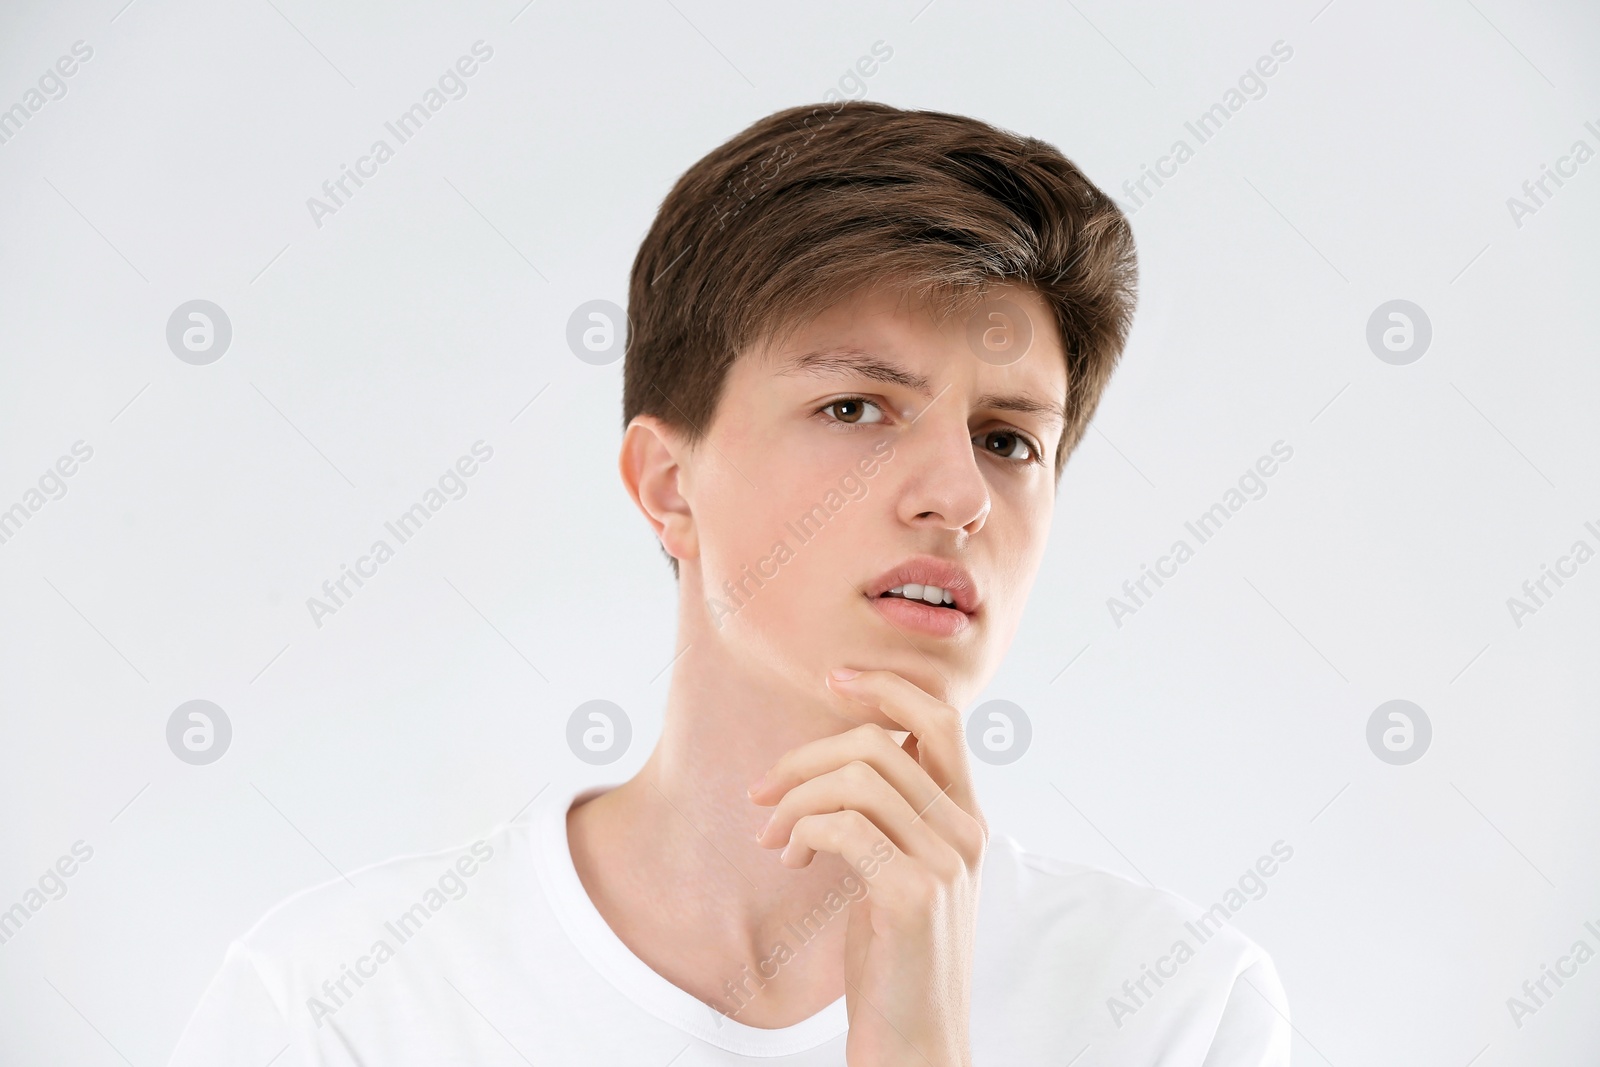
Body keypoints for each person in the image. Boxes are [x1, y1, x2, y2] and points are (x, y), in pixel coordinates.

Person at [169, 101, 1290, 1066]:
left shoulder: (1177, 1008)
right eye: (856, 407)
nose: (959, 492)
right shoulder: (342, 1000)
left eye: (1008, 438)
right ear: (667, 484)